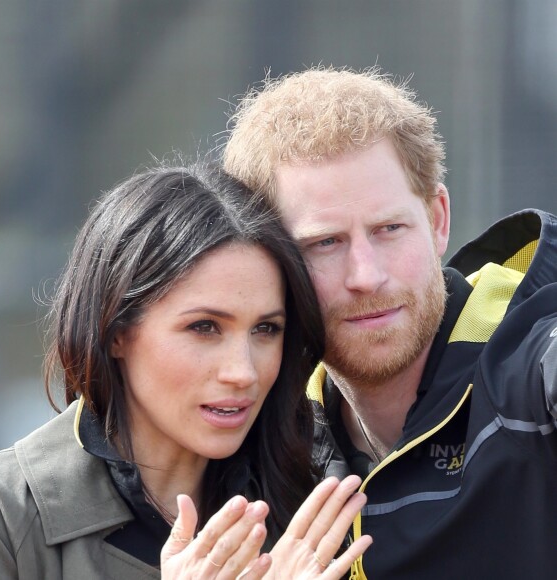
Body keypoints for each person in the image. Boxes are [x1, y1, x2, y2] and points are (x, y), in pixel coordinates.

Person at [223, 66, 557, 579]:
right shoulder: (252, 428)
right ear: (270, 261)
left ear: (438, 220)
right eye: (325, 243)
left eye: (389, 229)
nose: (366, 275)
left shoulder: (530, 360)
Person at [0, 161, 373, 579]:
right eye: (204, 328)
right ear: (116, 331)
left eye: (266, 329)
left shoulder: (310, 508)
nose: (243, 373)